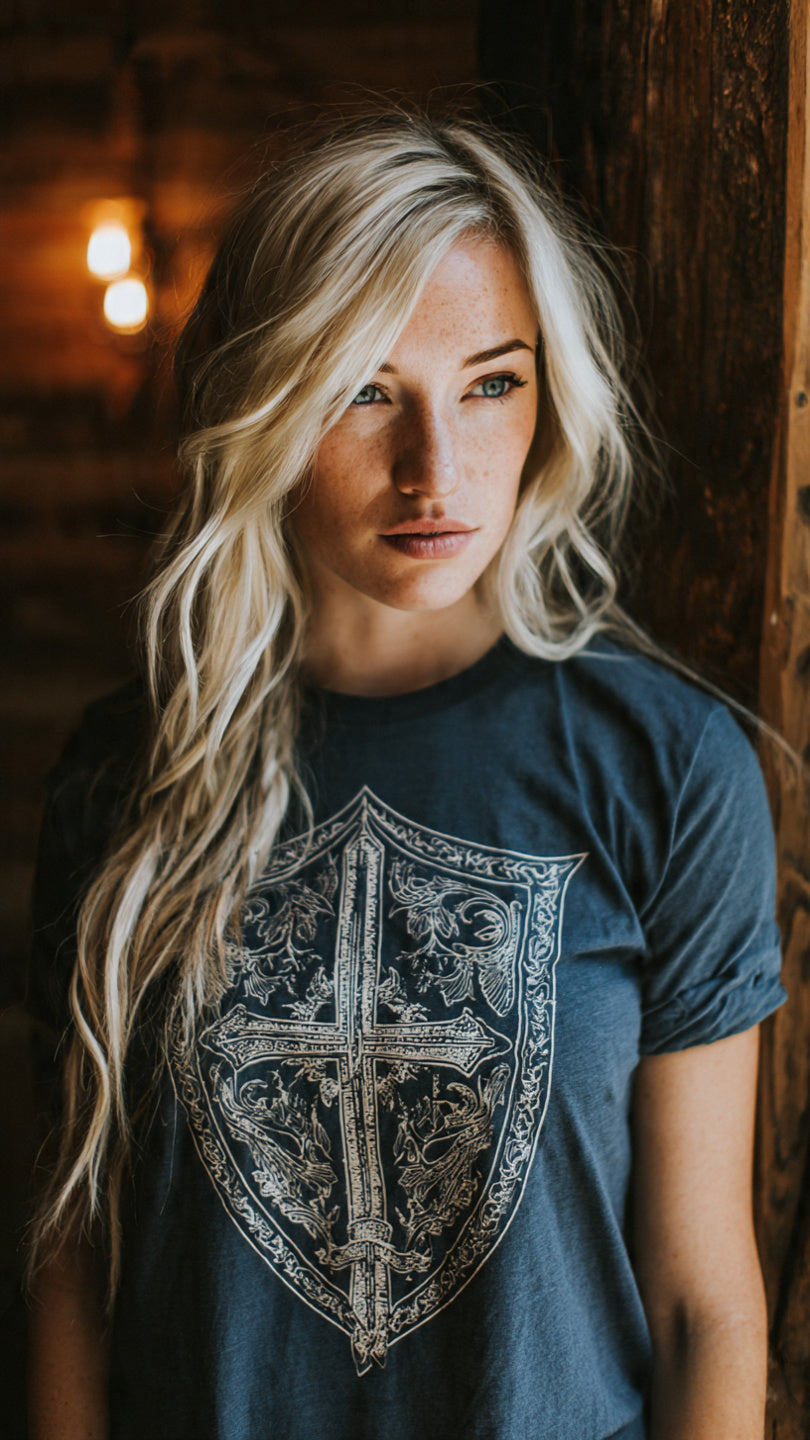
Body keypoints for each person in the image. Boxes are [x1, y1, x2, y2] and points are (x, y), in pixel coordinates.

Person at [27, 109, 785, 1440]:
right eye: (362, 392)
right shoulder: (125, 778)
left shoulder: (663, 765)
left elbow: (700, 1308)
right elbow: (69, 1260)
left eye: (490, 382)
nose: (436, 469)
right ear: (260, 398)